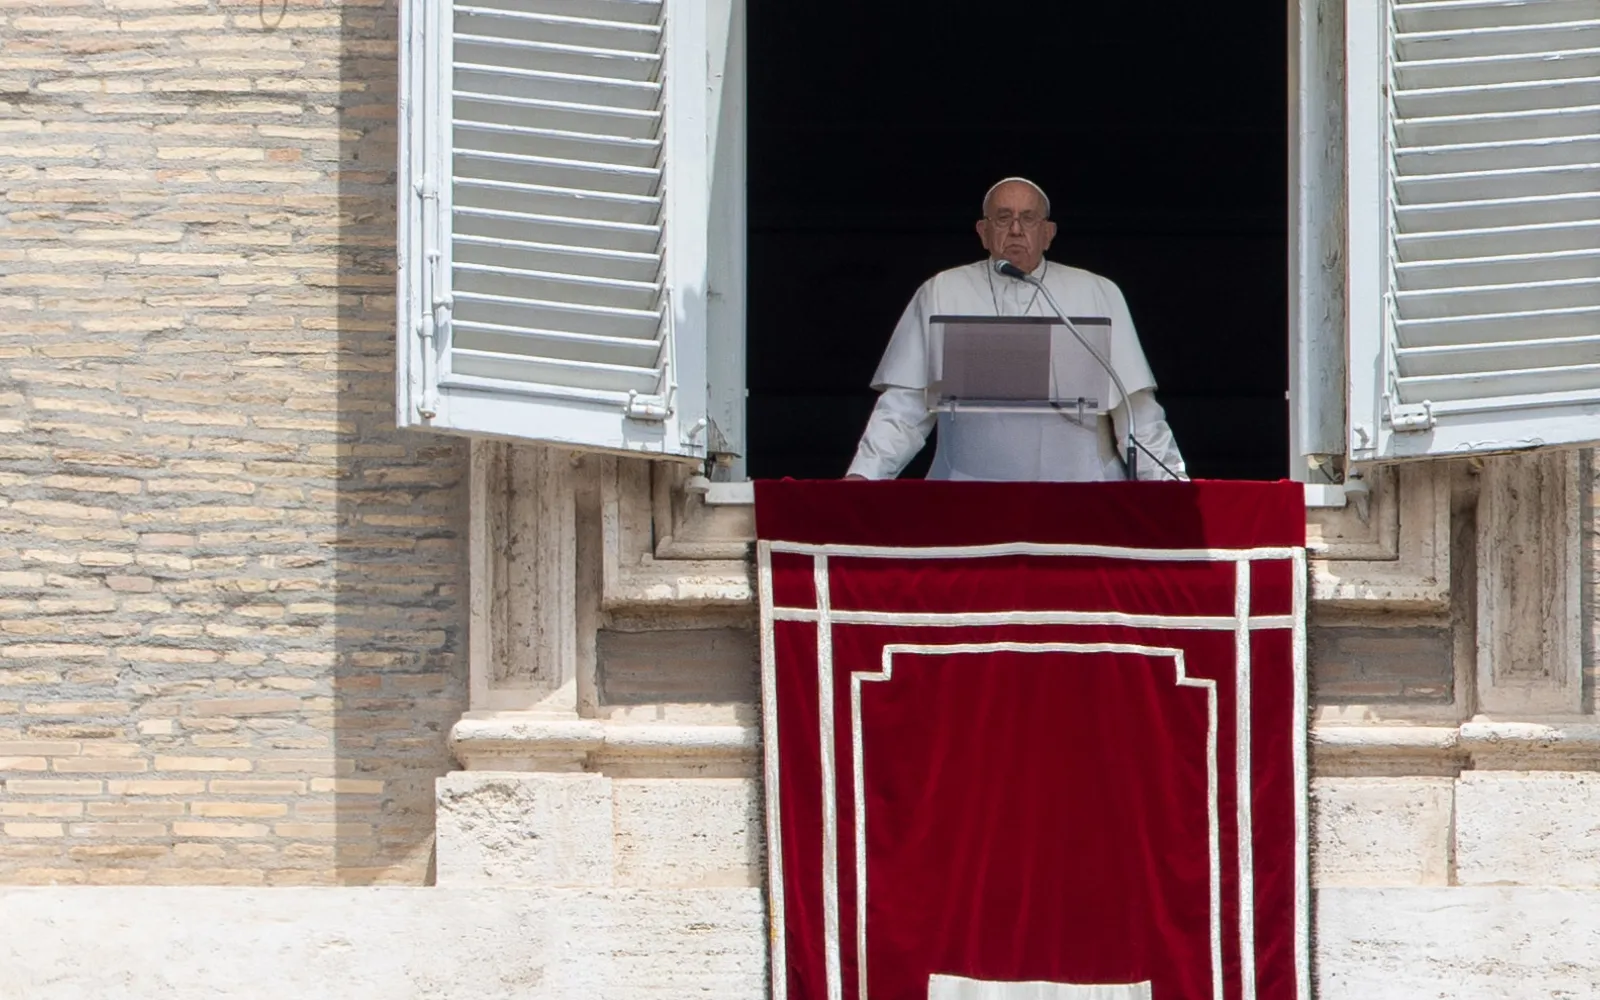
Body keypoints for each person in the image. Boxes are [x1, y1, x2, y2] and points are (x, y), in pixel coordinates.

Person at [845, 177, 1186, 482]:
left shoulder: (1098, 292)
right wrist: (864, 476)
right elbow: (904, 407)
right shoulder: (941, 291)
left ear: (1048, 233)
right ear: (983, 231)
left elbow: (1136, 410)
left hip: (1080, 492)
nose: (1016, 230)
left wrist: (1169, 485)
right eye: (1003, 218)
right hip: (968, 491)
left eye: (1029, 218)